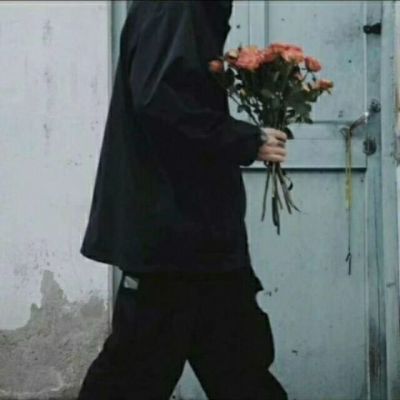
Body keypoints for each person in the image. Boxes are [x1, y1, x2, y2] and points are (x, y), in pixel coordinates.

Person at [78, 1, 288, 399]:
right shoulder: (177, 5)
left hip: (191, 237)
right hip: (176, 234)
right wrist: (245, 139)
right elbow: (159, 99)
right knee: (139, 372)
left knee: (237, 370)